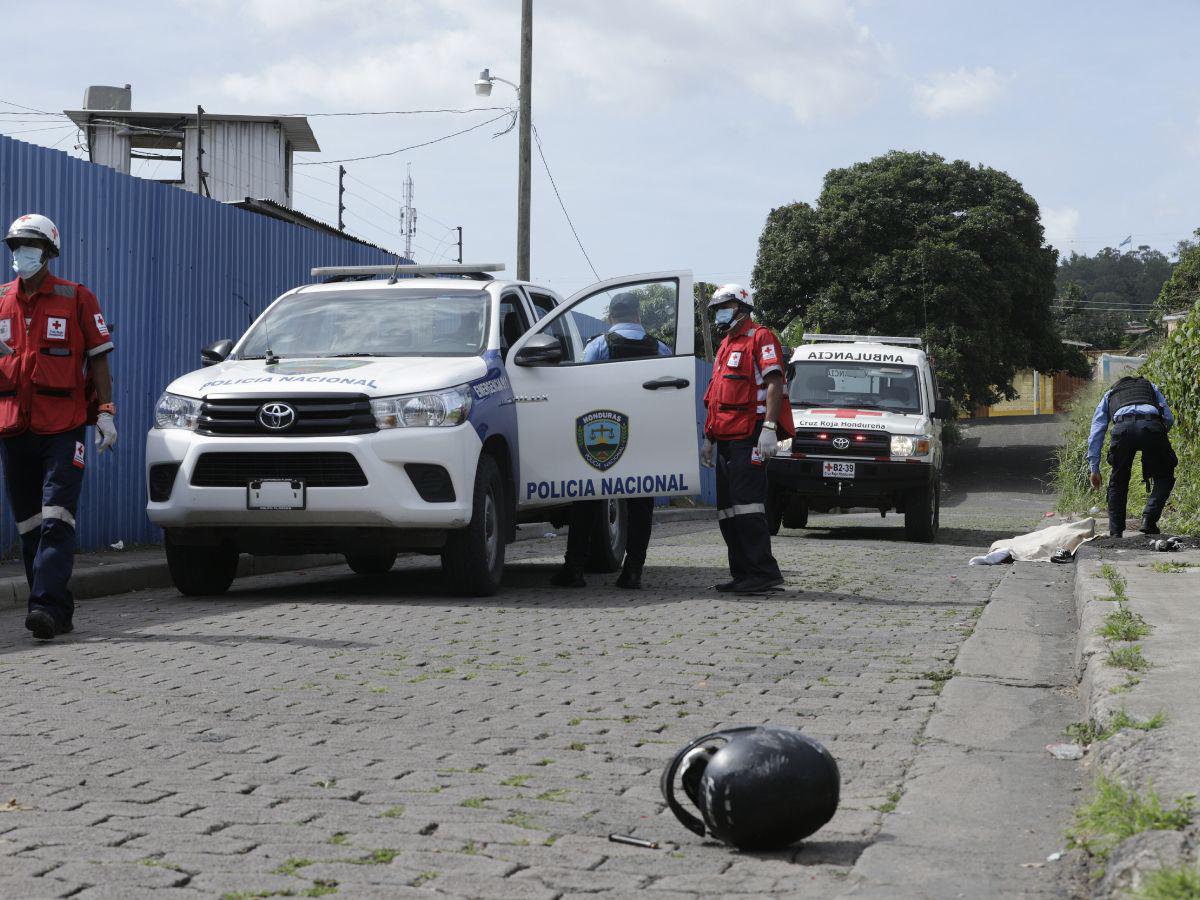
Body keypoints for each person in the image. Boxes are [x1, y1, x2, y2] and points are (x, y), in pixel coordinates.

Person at [0, 215, 116, 640]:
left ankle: (44, 607)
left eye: (29, 246)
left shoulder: (76, 298)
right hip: (14, 430)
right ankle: (57, 609)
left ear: (48, 252)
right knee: (30, 526)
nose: (20, 254)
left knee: (56, 519)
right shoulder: (0, 300)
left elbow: (99, 356)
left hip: (63, 428)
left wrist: (105, 411)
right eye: (15, 246)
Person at [551, 292, 670, 590]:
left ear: (610, 317)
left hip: (605, 433)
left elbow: (580, 389)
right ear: (638, 316)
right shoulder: (661, 349)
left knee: (588, 498)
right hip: (644, 435)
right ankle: (633, 572)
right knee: (642, 503)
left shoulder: (598, 346)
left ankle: (574, 569)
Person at [700, 283, 794, 593]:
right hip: (726, 437)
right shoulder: (727, 344)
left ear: (741, 308)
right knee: (728, 510)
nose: (719, 315)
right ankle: (742, 573)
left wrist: (769, 428)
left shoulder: (760, 337)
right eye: (716, 310)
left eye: (723, 308)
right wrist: (709, 438)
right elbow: (715, 395)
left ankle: (763, 572)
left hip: (750, 435)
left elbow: (774, 383)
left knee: (748, 506)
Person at [1087, 374, 1177, 538]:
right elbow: (1169, 418)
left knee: (1118, 481)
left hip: (1122, 429)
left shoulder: (1110, 393)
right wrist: (1158, 436)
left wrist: (1094, 468)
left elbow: (1096, 431)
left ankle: (1116, 531)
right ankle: (1149, 519)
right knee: (1164, 475)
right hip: (1151, 425)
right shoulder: (1150, 387)